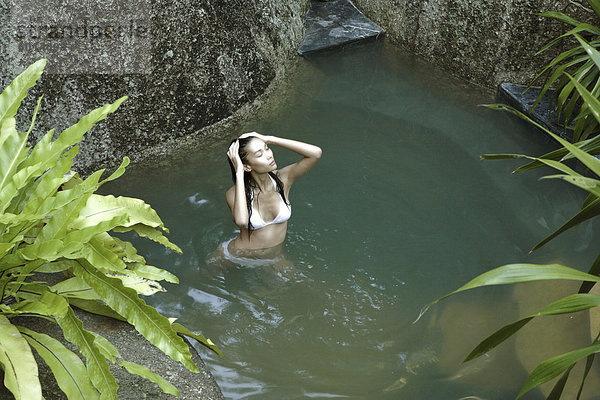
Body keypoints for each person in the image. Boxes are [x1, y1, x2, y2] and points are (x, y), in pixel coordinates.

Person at [208, 131, 321, 271]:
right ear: (247, 166)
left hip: (273, 259)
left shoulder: (283, 180)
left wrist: (269, 138)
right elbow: (242, 221)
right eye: (259, 154)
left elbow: (315, 153)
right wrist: (239, 172)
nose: (269, 155)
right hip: (236, 256)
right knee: (198, 278)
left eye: (267, 148)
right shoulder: (234, 193)